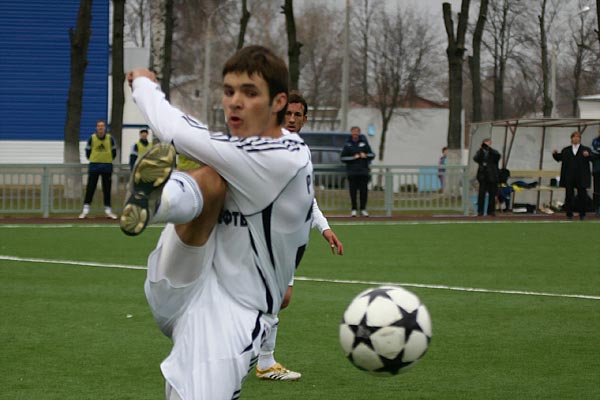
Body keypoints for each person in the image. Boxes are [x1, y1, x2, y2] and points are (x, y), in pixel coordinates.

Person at [122, 45, 314, 399]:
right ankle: (159, 200)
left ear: (278, 103)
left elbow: (176, 130)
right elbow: (189, 134)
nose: (235, 102)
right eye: (229, 91)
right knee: (212, 178)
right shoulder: (248, 152)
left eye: (250, 93)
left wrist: (143, 83)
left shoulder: (279, 158)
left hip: (233, 314)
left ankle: (162, 198)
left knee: (213, 173)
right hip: (184, 279)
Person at [255, 91, 344, 381]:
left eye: (297, 115)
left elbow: (307, 198)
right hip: (265, 234)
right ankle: (262, 361)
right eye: (288, 114)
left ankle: (256, 356)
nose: (292, 119)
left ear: (305, 119)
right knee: (271, 299)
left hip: (289, 238)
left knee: (280, 299)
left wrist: (325, 228)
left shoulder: (301, 151)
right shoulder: (269, 147)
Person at [79, 119, 118, 219]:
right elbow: (88, 151)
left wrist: (107, 159)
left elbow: (114, 152)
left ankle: (108, 210)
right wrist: (94, 159)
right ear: (96, 128)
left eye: (102, 126)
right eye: (99, 126)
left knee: (107, 189)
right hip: (94, 166)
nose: (101, 128)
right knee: (90, 188)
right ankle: (85, 210)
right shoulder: (92, 138)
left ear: (105, 128)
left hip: (107, 166)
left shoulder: (110, 139)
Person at [552, 131, 593, 220]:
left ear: (580, 139)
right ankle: (569, 214)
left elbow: (592, 158)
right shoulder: (566, 150)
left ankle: (582, 214)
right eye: (574, 137)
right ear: (571, 139)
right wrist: (554, 154)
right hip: (569, 176)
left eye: (578, 137)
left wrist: (588, 155)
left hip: (581, 176)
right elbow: (559, 158)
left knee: (582, 196)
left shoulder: (585, 149)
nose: (576, 138)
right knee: (569, 195)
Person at [340, 126, 375, 217]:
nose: (355, 134)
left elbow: (372, 155)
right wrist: (353, 158)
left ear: (359, 133)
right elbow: (343, 158)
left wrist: (365, 155)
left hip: (363, 172)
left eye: (357, 132)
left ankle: (363, 209)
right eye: (353, 132)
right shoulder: (348, 144)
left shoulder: (364, 143)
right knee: (353, 192)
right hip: (352, 172)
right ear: (351, 133)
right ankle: (354, 209)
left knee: (364, 191)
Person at [472, 138, 500, 216]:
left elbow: (497, 157)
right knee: (481, 195)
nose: (487, 145)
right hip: (483, 177)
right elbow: (475, 158)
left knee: (492, 194)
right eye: (485, 144)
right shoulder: (480, 153)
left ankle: (491, 211)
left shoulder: (493, 152)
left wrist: (489, 149)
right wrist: (481, 150)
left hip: (492, 176)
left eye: (488, 143)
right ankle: (480, 211)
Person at [591, 129, 600, 216]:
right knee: (597, 190)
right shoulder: (595, 141)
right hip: (597, 170)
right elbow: (594, 152)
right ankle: (597, 208)